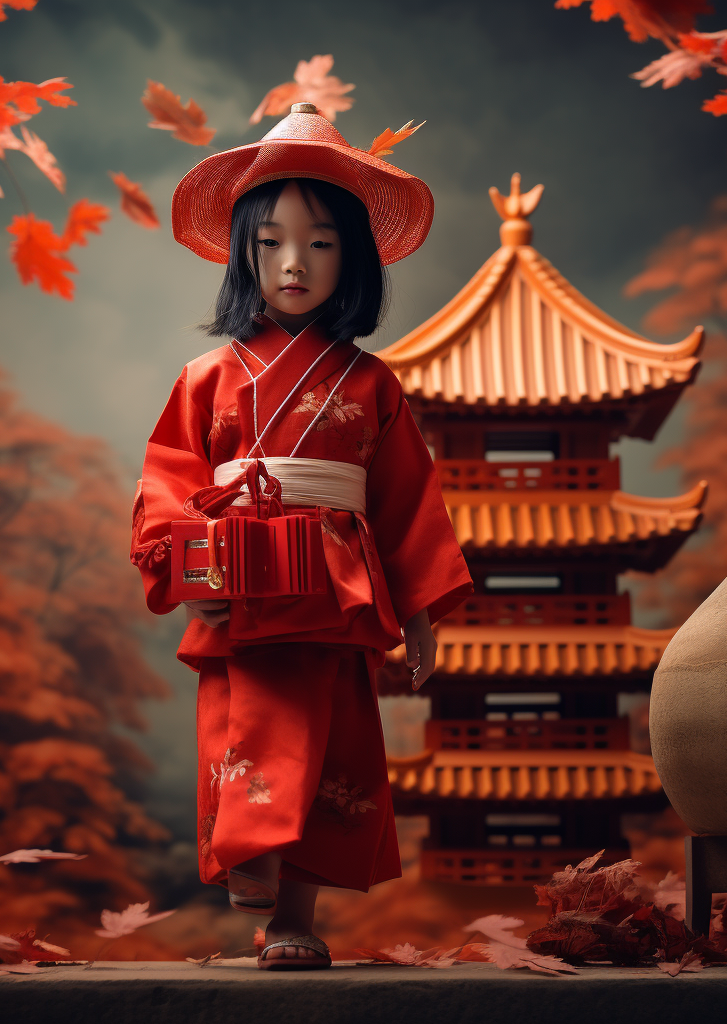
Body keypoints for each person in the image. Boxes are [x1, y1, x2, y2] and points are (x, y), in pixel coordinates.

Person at [131, 102, 472, 969]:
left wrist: (422, 612)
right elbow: (170, 476)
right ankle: (249, 855)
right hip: (236, 584)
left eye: (320, 243)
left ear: (351, 258)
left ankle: (294, 917)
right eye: (271, 242)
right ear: (244, 254)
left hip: (335, 583)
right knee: (242, 723)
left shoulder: (369, 383)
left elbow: (403, 502)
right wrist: (183, 554)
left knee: (332, 745)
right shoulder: (206, 379)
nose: (294, 262)